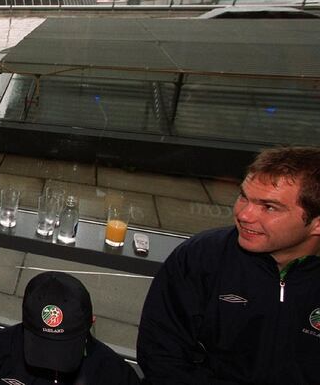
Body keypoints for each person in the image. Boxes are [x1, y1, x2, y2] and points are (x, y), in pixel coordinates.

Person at [137, 146, 320, 384]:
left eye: (269, 207)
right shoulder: (201, 256)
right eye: (244, 196)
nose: (244, 214)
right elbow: (160, 355)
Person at [0, 271, 140, 385]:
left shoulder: (113, 373)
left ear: (91, 322)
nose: (51, 363)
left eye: (65, 347)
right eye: (42, 345)